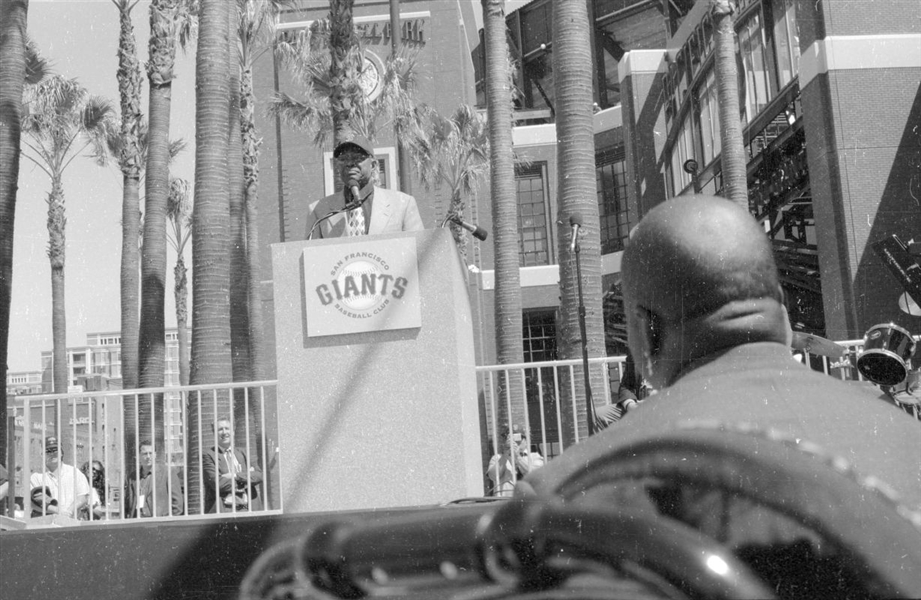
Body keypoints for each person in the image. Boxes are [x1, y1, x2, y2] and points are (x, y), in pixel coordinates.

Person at [304, 136, 424, 239]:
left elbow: (419, 252)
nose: (349, 163)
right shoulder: (319, 211)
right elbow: (310, 260)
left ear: (373, 165)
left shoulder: (402, 204)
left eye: (357, 158)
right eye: (343, 159)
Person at [202, 417, 263, 513]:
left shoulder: (244, 452)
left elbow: (259, 475)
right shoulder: (208, 455)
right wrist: (247, 477)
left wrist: (234, 475)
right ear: (214, 434)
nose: (224, 432)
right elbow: (218, 483)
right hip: (224, 510)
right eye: (220, 429)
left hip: (249, 509)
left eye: (227, 428)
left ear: (233, 432)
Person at [29, 436, 90, 519]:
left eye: (55, 450)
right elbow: (34, 502)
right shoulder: (36, 477)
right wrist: (58, 511)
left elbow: (83, 497)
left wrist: (69, 511)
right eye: (48, 451)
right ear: (42, 455)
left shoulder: (75, 473)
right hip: (46, 525)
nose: (52, 453)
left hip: (71, 522)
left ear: (61, 453)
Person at [123, 441, 185, 518]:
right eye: (145, 453)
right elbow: (128, 504)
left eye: (151, 453)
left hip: (159, 524)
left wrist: (166, 525)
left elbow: (177, 505)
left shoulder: (167, 473)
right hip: (138, 524)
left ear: (155, 455)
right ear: (139, 456)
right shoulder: (133, 477)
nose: (148, 456)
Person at [486, 425, 544, 497]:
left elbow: (536, 476)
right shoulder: (497, 458)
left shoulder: (535, 457)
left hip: (529, 502)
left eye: (517, 438)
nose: (514, 441)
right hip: (504, 503)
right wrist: (505, 456)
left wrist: (518, 457)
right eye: (509, 438)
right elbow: (493, 476)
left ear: (526, 441)